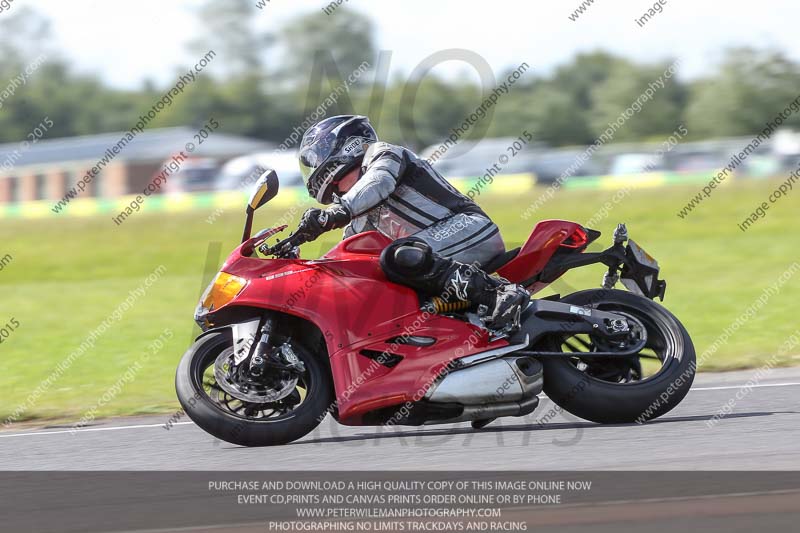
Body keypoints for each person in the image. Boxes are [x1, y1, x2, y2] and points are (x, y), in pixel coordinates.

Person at [293, 115, 529, 332]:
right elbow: (348, 257)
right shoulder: (360, 211)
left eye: (337, 184)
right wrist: (306, 268)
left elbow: (379, 181)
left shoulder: (383, 153)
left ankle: (498, 293)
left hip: (469, 228)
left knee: (396, 255)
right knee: (375, 276)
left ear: (345, 146)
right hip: (439, 251)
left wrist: (335, 213)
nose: (337, 190)